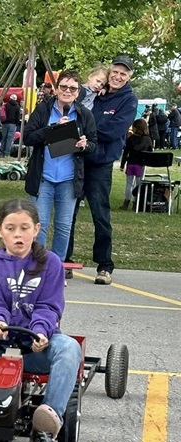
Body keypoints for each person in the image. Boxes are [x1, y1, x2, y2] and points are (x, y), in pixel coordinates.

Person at [0, 198, 81, 437]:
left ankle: (50, 411)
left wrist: (41, 331)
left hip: (35, 349)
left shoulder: (51, 263)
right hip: (0, 348)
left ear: (37, 230)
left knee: (70, 348)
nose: (18, 235)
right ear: (0, 230)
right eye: (10, 229)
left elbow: (49, 306)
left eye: (25, 228)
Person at [65, 55, 138, 285]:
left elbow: (114, 130)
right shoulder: (95, 93)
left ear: (129, 77)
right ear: (110, 72)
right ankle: (64, 261)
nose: (118, 76)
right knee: (68, 212)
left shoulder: (129, 100)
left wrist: (85, 133)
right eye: (115, 71)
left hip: (101, 163)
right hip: (77, 159)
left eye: (123, 74)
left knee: (100, 213)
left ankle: (104, 266)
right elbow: (71, 112)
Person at [22, 70, 97, 262]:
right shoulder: (43, 109)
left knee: (64, 226)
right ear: (56, 89)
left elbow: (94, 145)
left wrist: (84, 145)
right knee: (40, 225)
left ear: (78, 91)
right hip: (43, 177)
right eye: (63, 87)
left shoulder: (84, 114)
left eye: (72, 88)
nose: (67, 91)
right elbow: (28, 137)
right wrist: (52, 129)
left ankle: (56, 269)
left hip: (69, 179)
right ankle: (38, 266)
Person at [118, 119, 152, 211]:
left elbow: (125, 152)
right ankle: (136, 203)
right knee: (139, 184)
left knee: (129, 184)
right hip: (140, 164)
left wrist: (122, 164)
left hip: (130, 163)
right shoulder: (147, 139)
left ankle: (126, 202)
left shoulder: (130, 139)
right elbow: (150, 152)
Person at [0, 94, 22, 158]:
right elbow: (18, 117)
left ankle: (1, 153)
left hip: (5, 123)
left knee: (4, 138)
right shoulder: (17, 107)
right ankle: (7, 154)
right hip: (12, 124)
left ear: (10, 98)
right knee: (10, 139)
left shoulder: (6, 105)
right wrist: (16, 124)